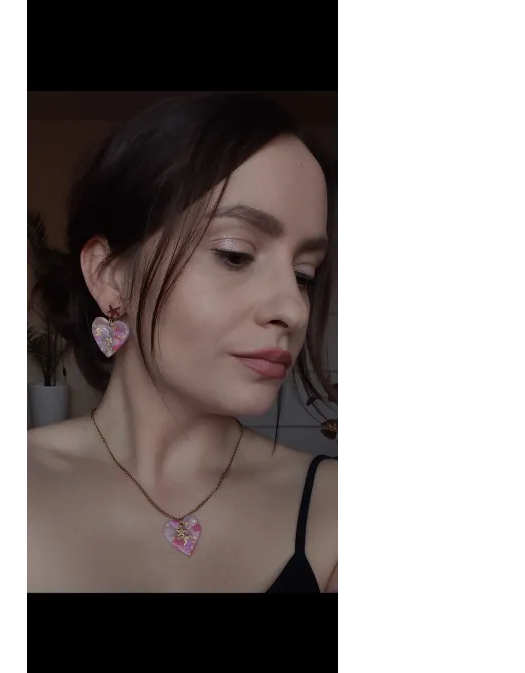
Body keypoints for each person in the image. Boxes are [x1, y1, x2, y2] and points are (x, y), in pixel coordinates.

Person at [25, 92, 341, 593]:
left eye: (304, 274)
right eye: (236, 254)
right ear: (109, 275)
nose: (294, 309)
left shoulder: (336, 508)